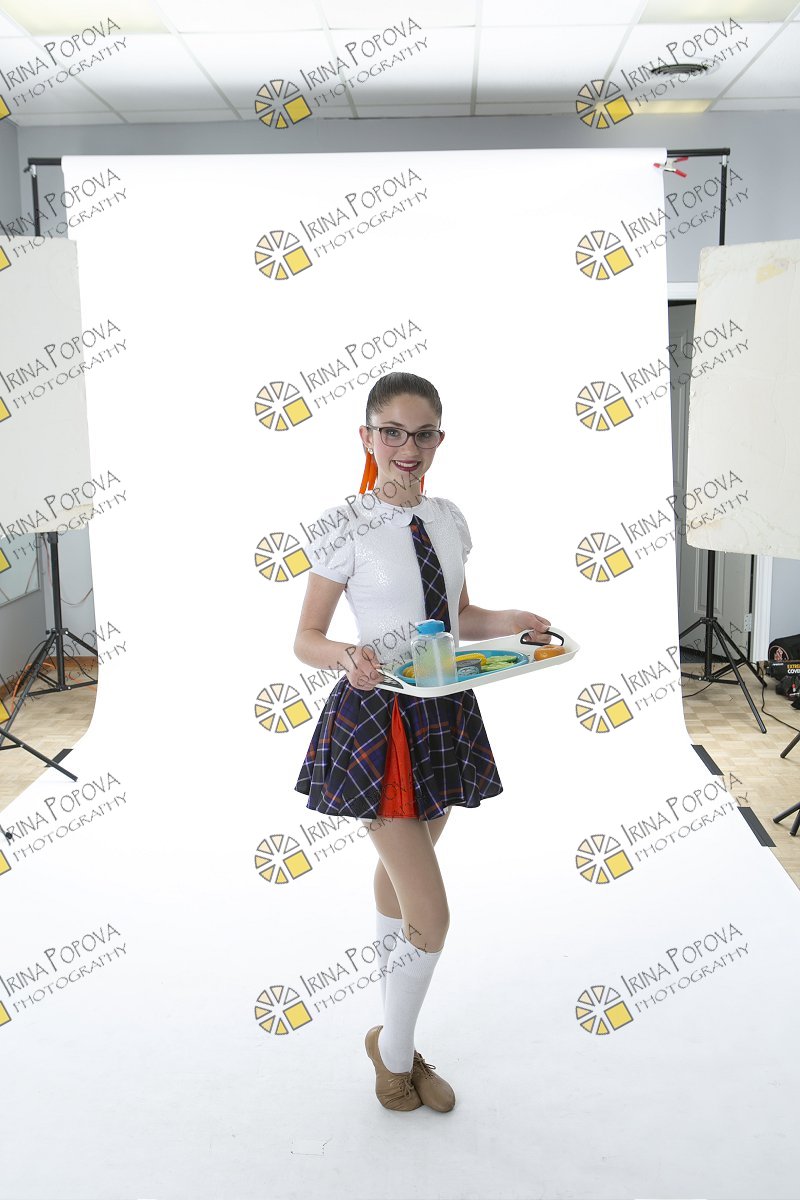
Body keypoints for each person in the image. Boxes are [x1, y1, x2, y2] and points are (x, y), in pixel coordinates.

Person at [293, 371, 551, 1114]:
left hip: (443, 713)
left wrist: (513, 621)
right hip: (380, 722)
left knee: (399, 881)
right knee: (431, 914)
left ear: (440, 439)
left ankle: (391, 1038)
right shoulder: (345, 524)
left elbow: (458, 617)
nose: (408, 447)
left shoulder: (448, 518)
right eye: (393, 432)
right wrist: (347, 656)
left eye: (424, 433)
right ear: (367, 437)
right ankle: (394, 1053)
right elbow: (305, 636)